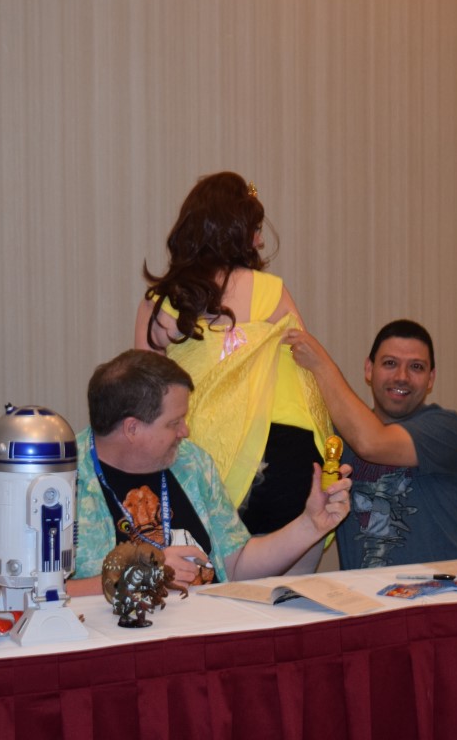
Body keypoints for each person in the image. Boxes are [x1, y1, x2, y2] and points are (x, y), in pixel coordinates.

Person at [135, 172, 332, 573]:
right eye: (255, 230)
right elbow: (307, 370)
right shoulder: (273, 291)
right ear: (233, 231)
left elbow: (143, 401)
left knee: (211, 597)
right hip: (292, 458)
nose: (260, 242)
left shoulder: (161, 304)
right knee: (295, 597)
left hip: (208, 465)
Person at [65, 350, 351, 596]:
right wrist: (137, 575)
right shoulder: (61, 483)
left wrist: (311, 524)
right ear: (132, 428)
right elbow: (43, 595)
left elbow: (236, 566)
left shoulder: (192, 462)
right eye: (174, 422)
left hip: (209, 629)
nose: (185, 431)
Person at [282, 320, 457, 569]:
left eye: (416, 367)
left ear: (431, 378)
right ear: (369, 369)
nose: (401, 377)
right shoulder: (335, 438)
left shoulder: (447, 428)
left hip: (450, 586)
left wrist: (321, 365)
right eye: (390, 363)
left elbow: (371, 443)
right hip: (368, 591)